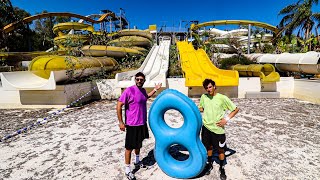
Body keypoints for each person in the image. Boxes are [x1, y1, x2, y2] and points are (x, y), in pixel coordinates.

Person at [116, 72, 162, 180]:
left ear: (144, 80)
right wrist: (121, 122)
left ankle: (137, 161)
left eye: (141, 79)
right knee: (129, 147)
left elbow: (145, 97)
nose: (139, 81)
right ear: (135, 80)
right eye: (137, 79)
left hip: (141, 123)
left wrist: (155, 89)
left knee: (138, 143)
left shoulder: (142, 90)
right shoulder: (129, 90)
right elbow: (119, 105)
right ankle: (127, 169)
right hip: (132, 124)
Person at [198, 79, 239, 178]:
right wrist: (192, 108)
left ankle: (222, 167)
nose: (208, 89)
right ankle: (210, 164)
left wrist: (226, 119)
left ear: (214, 86)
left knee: (221, 150)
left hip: (218, 129)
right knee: (209, 147)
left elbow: (236, 109)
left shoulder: (222, 98)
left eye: (210, 87)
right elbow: (202, 108)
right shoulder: (204, 97)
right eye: (206, 88)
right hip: (206, 127)